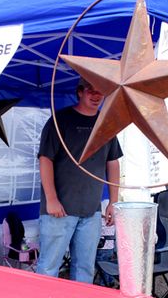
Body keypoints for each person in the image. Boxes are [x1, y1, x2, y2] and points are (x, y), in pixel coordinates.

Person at [36, 78, 122, 283]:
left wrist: (113, 201)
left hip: (91, 211)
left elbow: (113, 162)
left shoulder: (106, 123)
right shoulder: (60, 120)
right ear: (80, 92)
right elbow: (45, 159)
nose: (96, 96)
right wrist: (51, 199)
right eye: (91, 90)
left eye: (100, 92)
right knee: (49, 267)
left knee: (84, 268)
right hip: (59, 211)